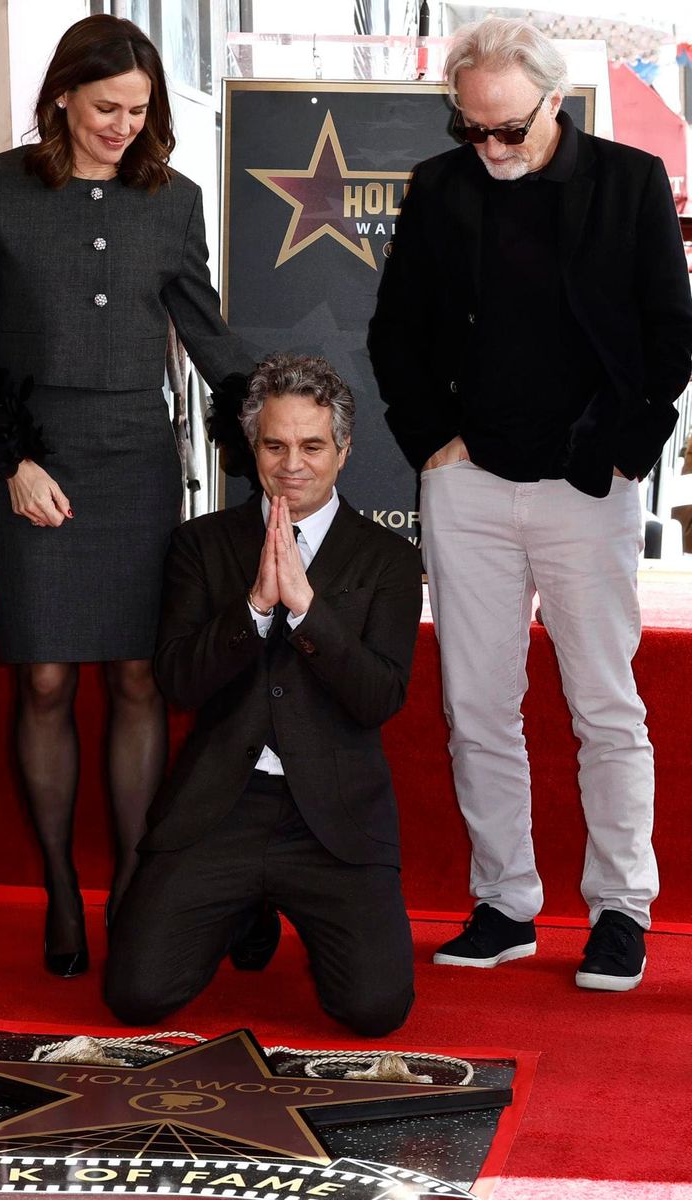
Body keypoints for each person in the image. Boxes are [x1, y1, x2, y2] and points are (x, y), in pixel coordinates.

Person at [368, 17, 692, 992]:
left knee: (605, 705)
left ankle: (622, 911)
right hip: (467, 485)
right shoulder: (440, 188)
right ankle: (506, 902)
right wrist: (434, 442)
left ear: (555, 101)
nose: (490, 149)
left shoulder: (630, 184)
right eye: (472, 128)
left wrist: (630, 452)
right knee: (475, 708)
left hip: (587, 486)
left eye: (507, 129)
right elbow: (396, 335)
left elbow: (671, 335)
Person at [0, 14, 256, 978]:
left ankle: (133, 882)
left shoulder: (170, 200)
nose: (122, 126)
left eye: (138, 110)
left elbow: (204, 330)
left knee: (137, 673)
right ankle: (60, 887)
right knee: (47, 678)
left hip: (136, 456)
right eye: (105, 108)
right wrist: (9, 462)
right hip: (31, 461)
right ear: (62, 95)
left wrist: (274, 415)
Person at [105, 353, 422, 1035]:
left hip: (332, 820)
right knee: (136, 994)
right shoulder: (200, 545)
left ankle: (266, 908)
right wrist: (252, 606)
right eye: (274, 445)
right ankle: (243, 911)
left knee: (375, 1011)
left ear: (343, 449)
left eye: (312, 445)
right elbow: (179, 682)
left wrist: (306, 609)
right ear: (251, 447)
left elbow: (379, 699)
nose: (292, 464)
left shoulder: (389, 559)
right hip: (222, 807)